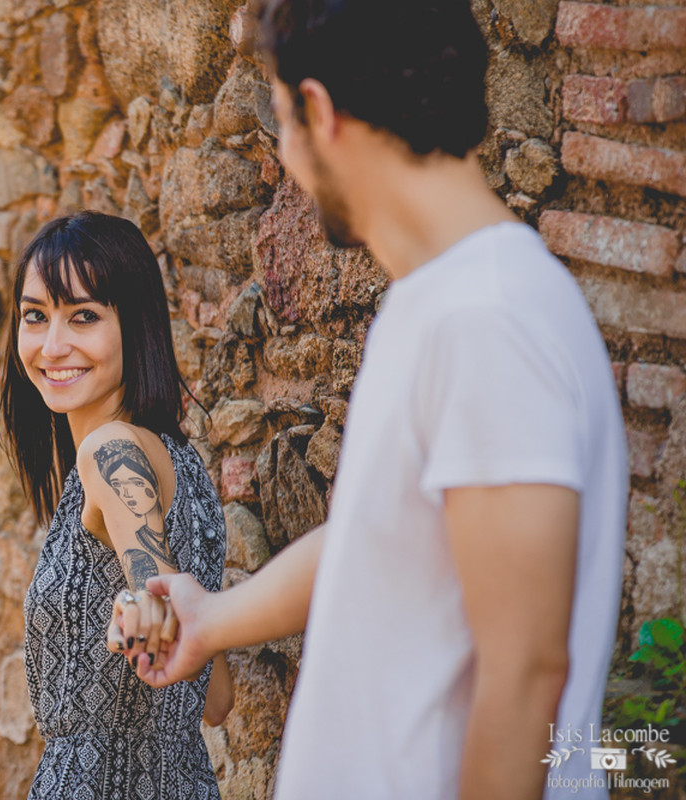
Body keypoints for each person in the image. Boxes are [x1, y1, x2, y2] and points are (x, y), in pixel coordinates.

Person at [136, 2, 628, 799]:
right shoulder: (441, 304)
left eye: (283, 119)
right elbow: (388, 540)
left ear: (321, 113)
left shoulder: (484, 320)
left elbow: (527, 671)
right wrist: (211, 620)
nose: (285, 154)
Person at [0, 210, 234, 799]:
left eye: (83, 316)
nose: (53, 346)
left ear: (136, 324)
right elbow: (218, 700)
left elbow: (153, 588)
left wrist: (145, 606)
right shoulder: (181, 464)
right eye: (35, 317)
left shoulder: (112, 451)